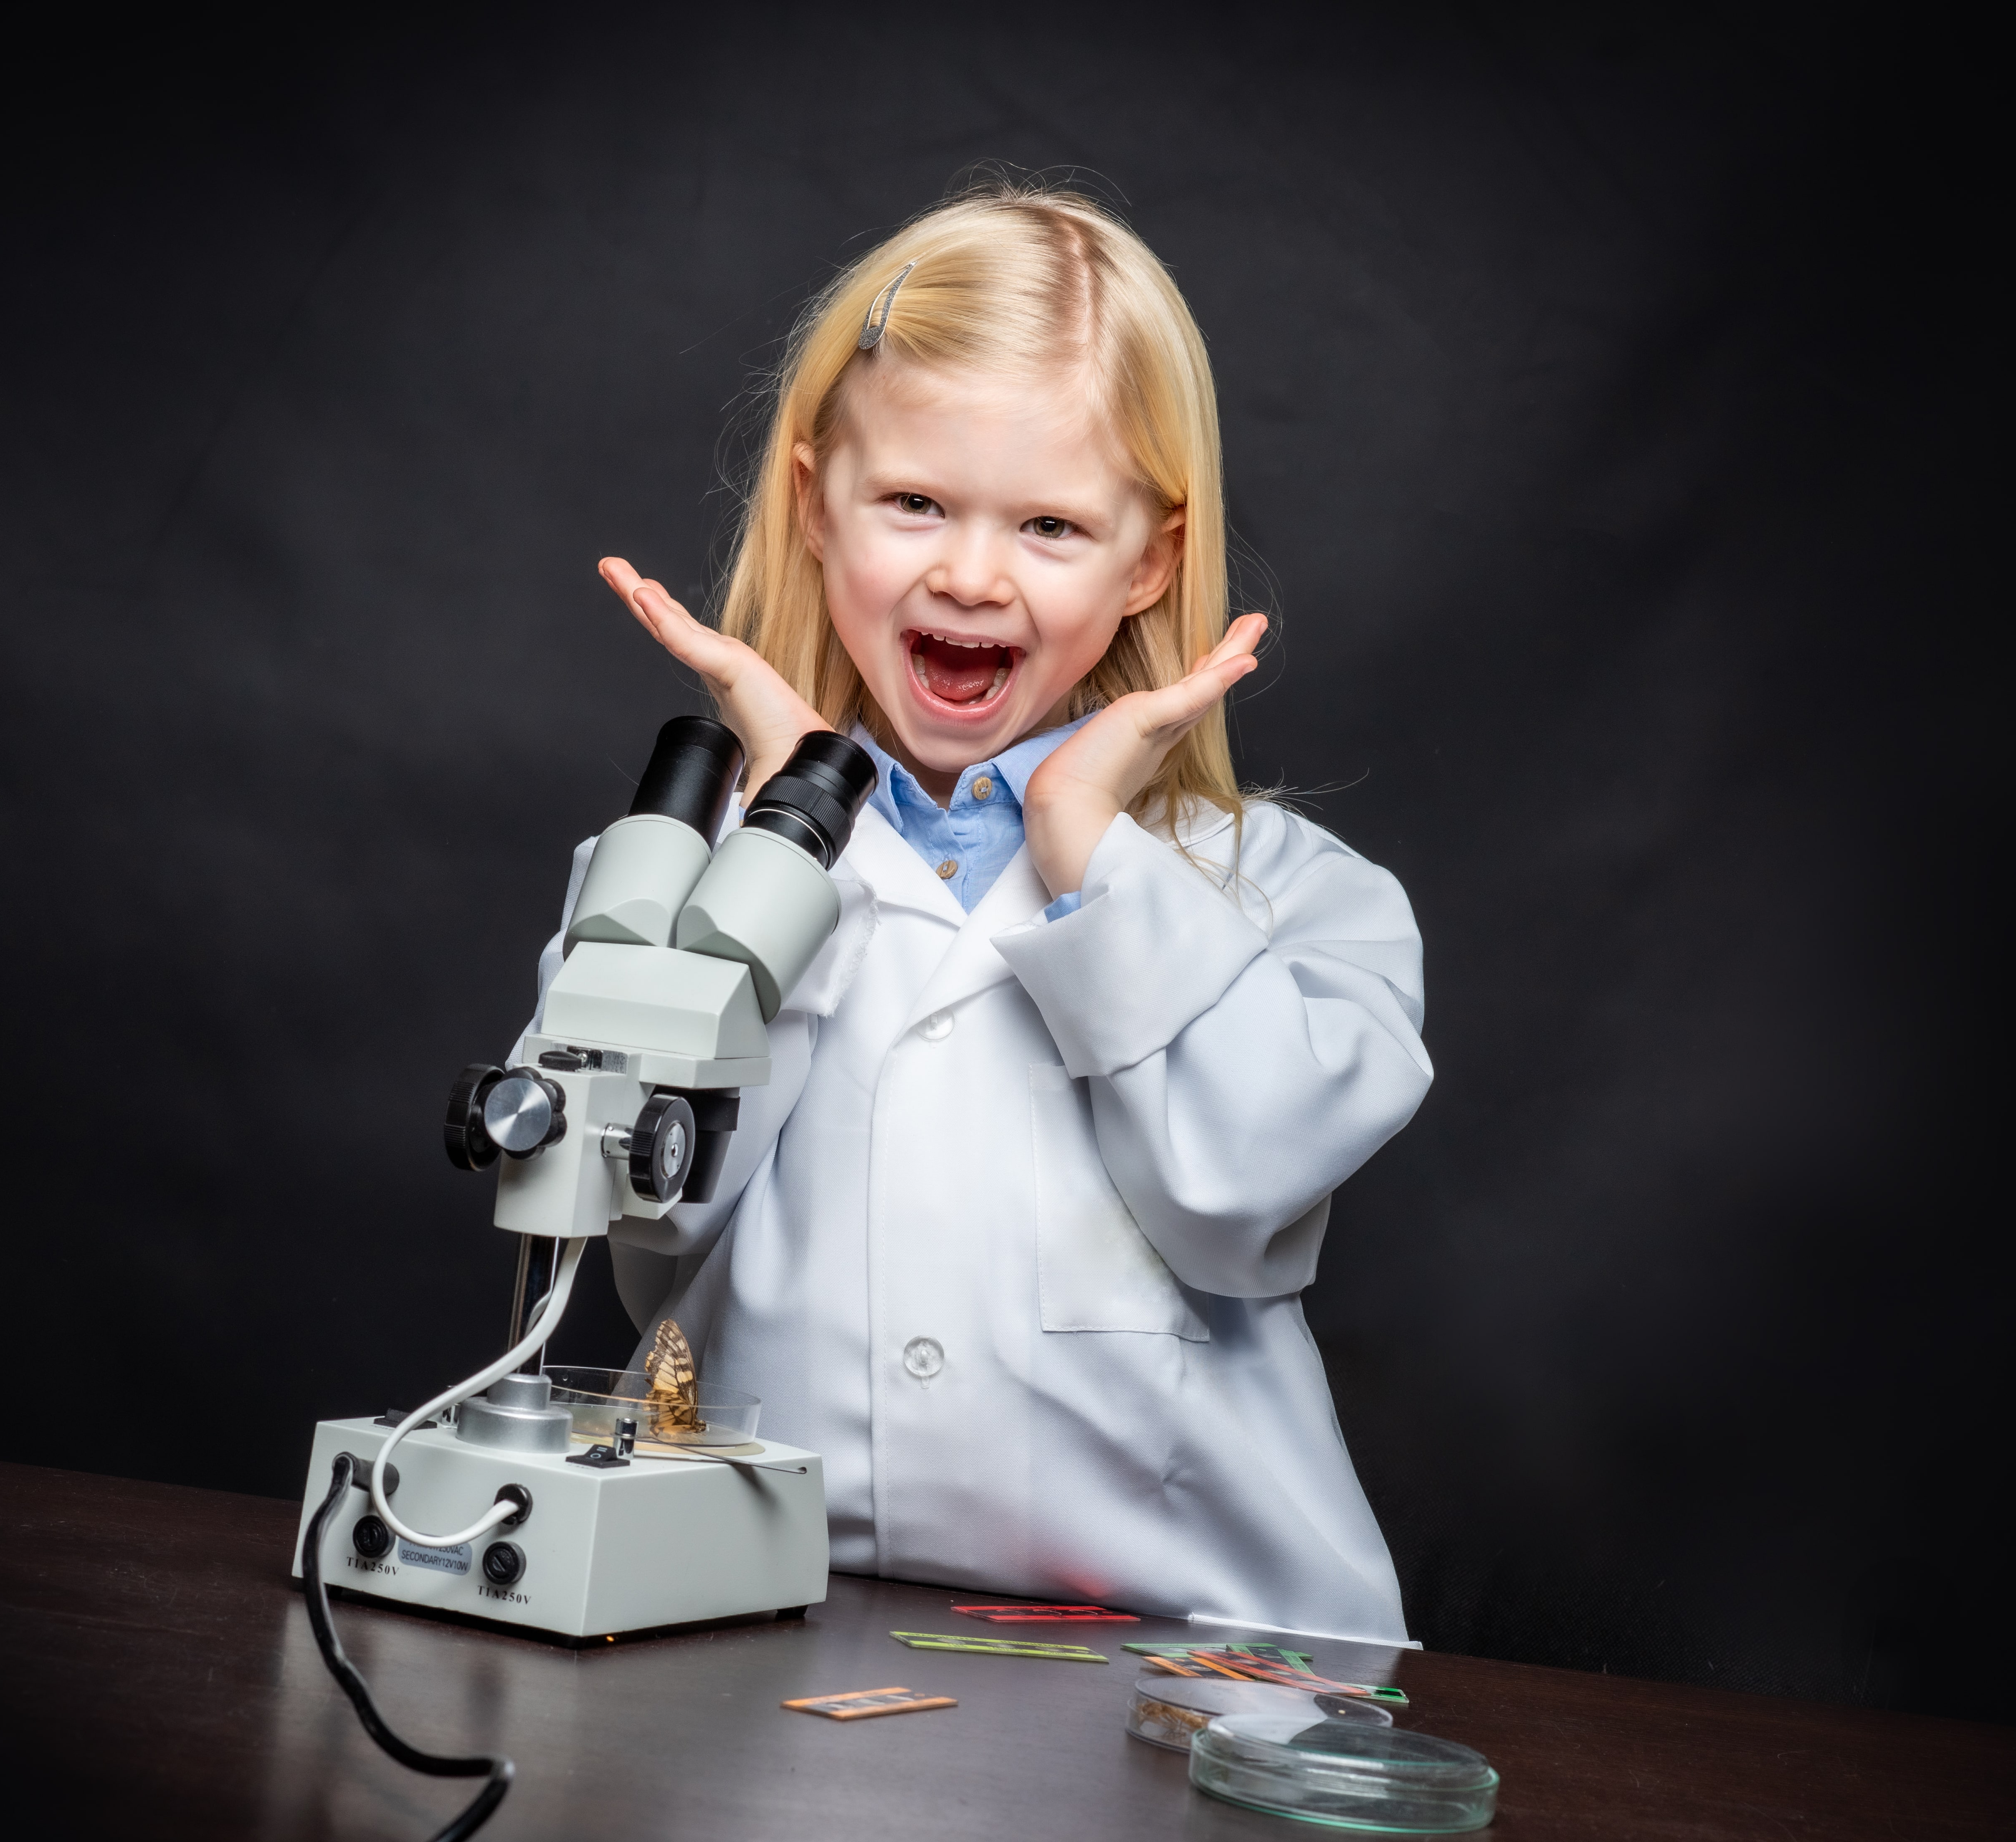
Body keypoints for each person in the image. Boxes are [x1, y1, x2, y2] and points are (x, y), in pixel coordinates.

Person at [553, 182, 1430, 1642]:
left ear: (1150, 560)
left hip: (1192, 1653)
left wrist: (1091, 856)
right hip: (754, 1620)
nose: (970, 575)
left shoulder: (1297, 900)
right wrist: (785, 849)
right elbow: (637, 1197)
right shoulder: (669, 872)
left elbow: (1241, 1191)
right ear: (811, 503)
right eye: (913, 504)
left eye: (1051, 525)